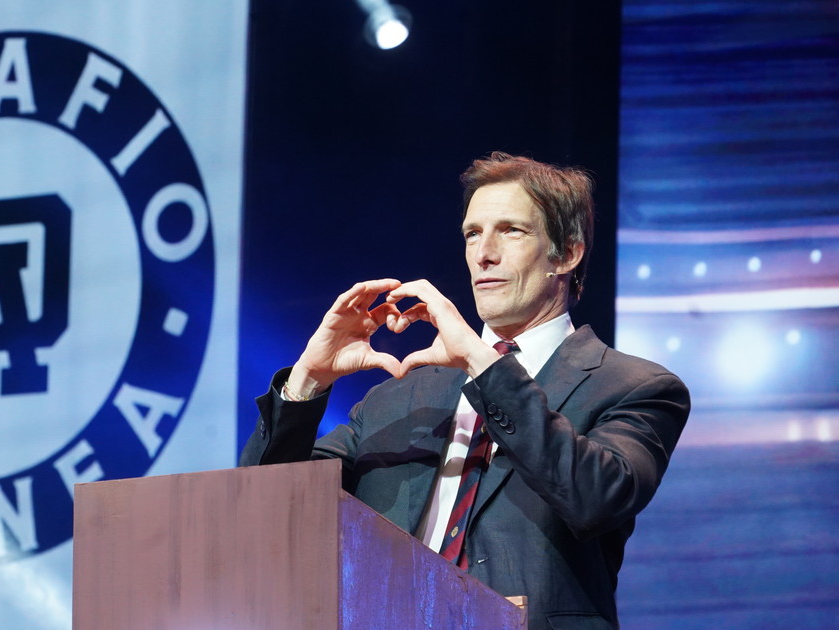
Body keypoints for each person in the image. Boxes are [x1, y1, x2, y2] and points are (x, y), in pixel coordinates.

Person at [239, 152, 690, 630]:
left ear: (567, 254)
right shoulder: (398, 397)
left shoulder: (635, 387)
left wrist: (482, 363)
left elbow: (594, 496)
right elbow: (268, 515)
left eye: (511, 231)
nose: (483, 253)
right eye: (473, 233)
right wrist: (307, 381)